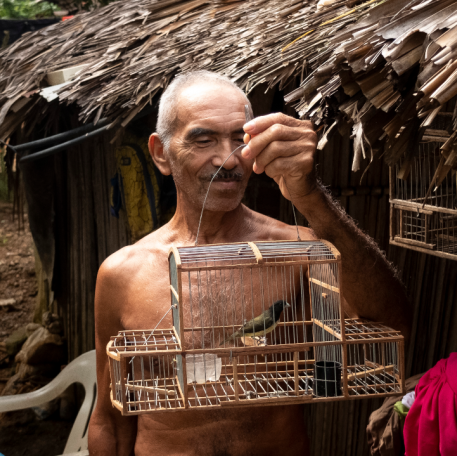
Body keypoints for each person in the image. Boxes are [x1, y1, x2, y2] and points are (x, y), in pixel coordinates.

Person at [89, 70, 411, 456]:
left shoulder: (298, 250)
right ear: (161, 153)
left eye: (239, 139)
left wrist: (308, 196)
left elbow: (395, 329)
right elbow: (109, 418)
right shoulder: (122, 274)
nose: (228, 160)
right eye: (203, 139)